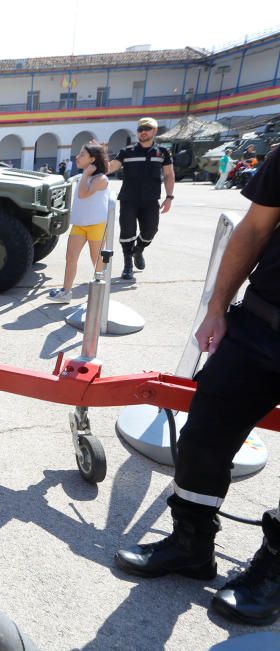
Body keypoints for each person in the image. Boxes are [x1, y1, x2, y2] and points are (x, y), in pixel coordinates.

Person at [114, 145, 280, 625]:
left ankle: (274, 571)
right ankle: (190, 545)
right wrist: (216, 310)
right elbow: (254, 229)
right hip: (262, 325)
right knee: (202, 438)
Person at [106, 117, 175, 281]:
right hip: (128, 199)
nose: (143, 132)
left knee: (150, 231)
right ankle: (127, 265)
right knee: (127, 232)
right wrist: (99, 156)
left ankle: (139, 250)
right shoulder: (127, 151)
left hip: (151, 200)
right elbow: (111, 167)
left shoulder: (163, 152)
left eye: (147, 128)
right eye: (140, 129)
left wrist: (169, 197)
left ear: (154, 131)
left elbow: (169, 174)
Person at [47, 143, 110, 303]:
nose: (77, 157)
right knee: (70, 258)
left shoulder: (101, 179)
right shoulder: (84, 176)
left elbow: (83, 194)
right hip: (79, 225)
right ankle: (66, 292)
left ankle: (100, 294)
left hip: (96, 225)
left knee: (96, 260)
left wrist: (85, 174)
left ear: (92, 159)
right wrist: (85, 175)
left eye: (82, 154)